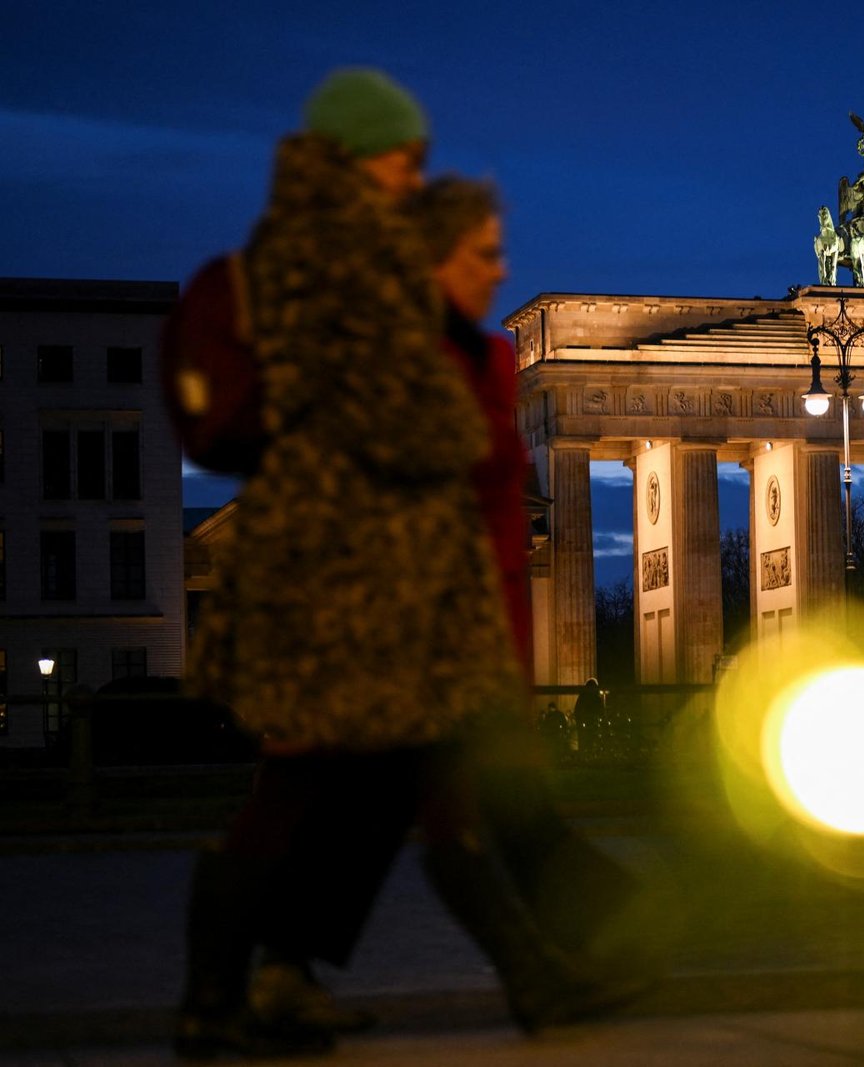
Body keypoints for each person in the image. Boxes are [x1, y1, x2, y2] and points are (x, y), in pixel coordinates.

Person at [173, 69, 528, 1059]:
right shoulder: (329, 264)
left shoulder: (350, 256)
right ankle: (218, 996)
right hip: (332, 572)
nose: (413, 180)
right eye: (400, 161)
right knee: (311, 787)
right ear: (347, 157)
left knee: (357, 790)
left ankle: (277, 979)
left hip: (371, 568)